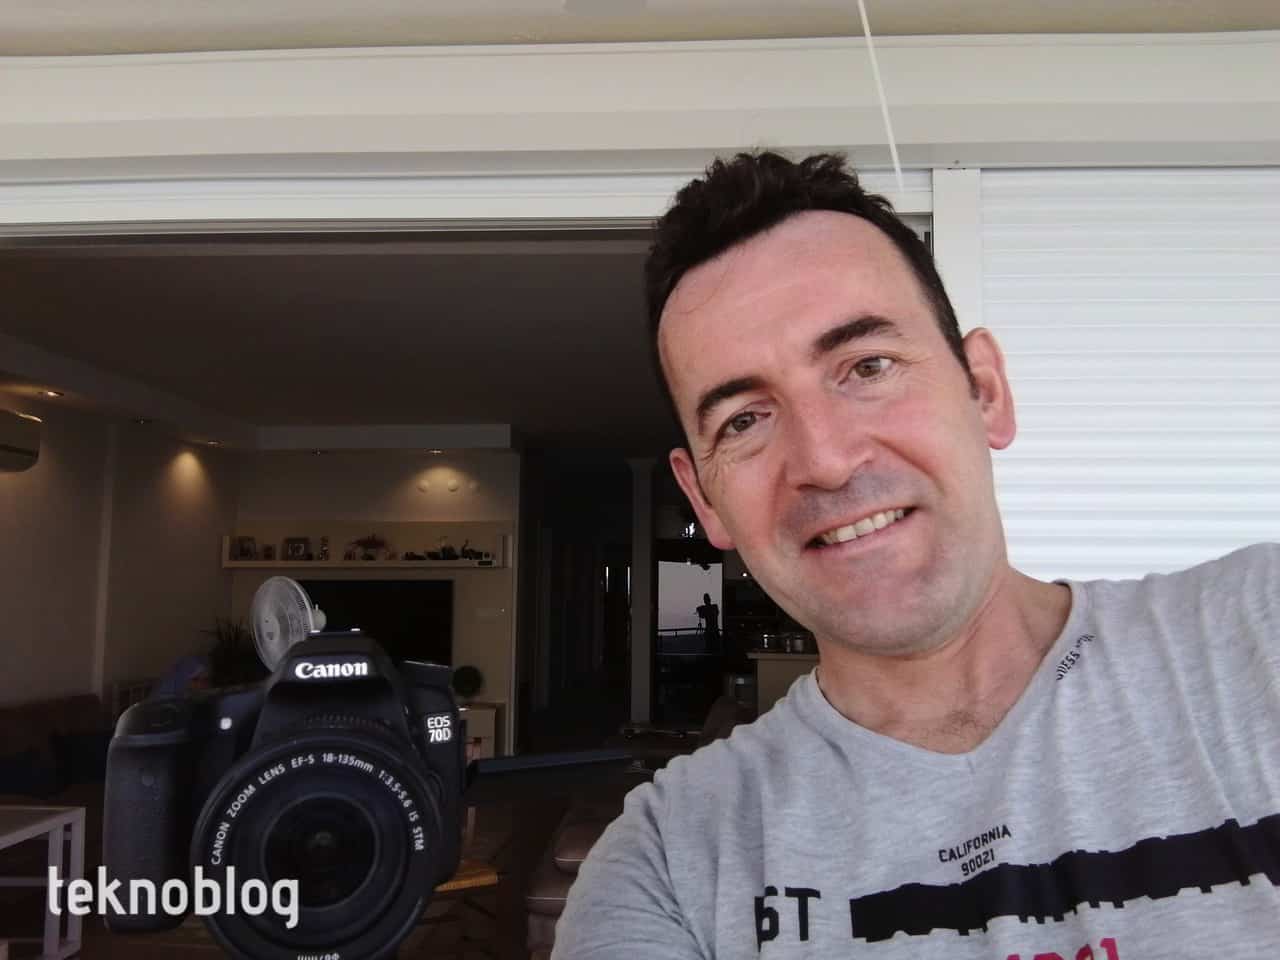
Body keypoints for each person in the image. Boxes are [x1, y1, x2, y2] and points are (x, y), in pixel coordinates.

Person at [552, 152, 1280, 958]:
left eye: (868, 366)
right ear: (705, 500)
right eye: (745, 420)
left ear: (985, 391)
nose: (826, 460)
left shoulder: (1259, 637)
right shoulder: (668, 867)